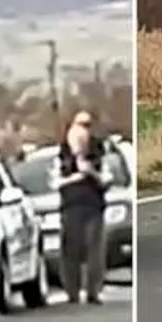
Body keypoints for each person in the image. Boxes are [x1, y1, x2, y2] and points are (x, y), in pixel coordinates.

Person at [52, 110, 110, 305]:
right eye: (80, 125)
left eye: (87, 125)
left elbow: (107, 178)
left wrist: (91, 172)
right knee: (71, 250)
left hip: (94, 205)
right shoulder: (61, 155)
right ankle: (72, 292)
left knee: (95, 251)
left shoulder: (99, 150)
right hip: (70, 206)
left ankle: (93, 291)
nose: (83, 130)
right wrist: (76, 176)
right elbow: (54, 182)